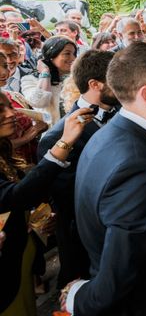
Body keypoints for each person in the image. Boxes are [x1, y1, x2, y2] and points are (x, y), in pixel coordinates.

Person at [61, 43, 146, 315]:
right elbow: (115, 280)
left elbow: (119, 214)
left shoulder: (108, 134)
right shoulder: (139, 166)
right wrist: (76, 297)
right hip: (144, 301)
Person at [0, 92, 91, 316]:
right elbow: (15, 195)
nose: (12, 113)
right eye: (0, 110)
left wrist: (33, 220)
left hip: (20, 255)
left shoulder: (3, 148)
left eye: (8, 107)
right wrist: (64, 142)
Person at [37, 50, 119, 290]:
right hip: (87, 240)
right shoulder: (56, 137)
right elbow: (69, 202)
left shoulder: (120, 113)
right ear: (94, 84)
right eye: (117, 80)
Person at [21, 36, 77, 124]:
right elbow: (39, 102)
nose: (73, 58)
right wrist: (45, 72)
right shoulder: (29, 79)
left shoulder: (76, 78)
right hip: (53, 133)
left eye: (74, 54)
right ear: (51, 56)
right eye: (67, 53)